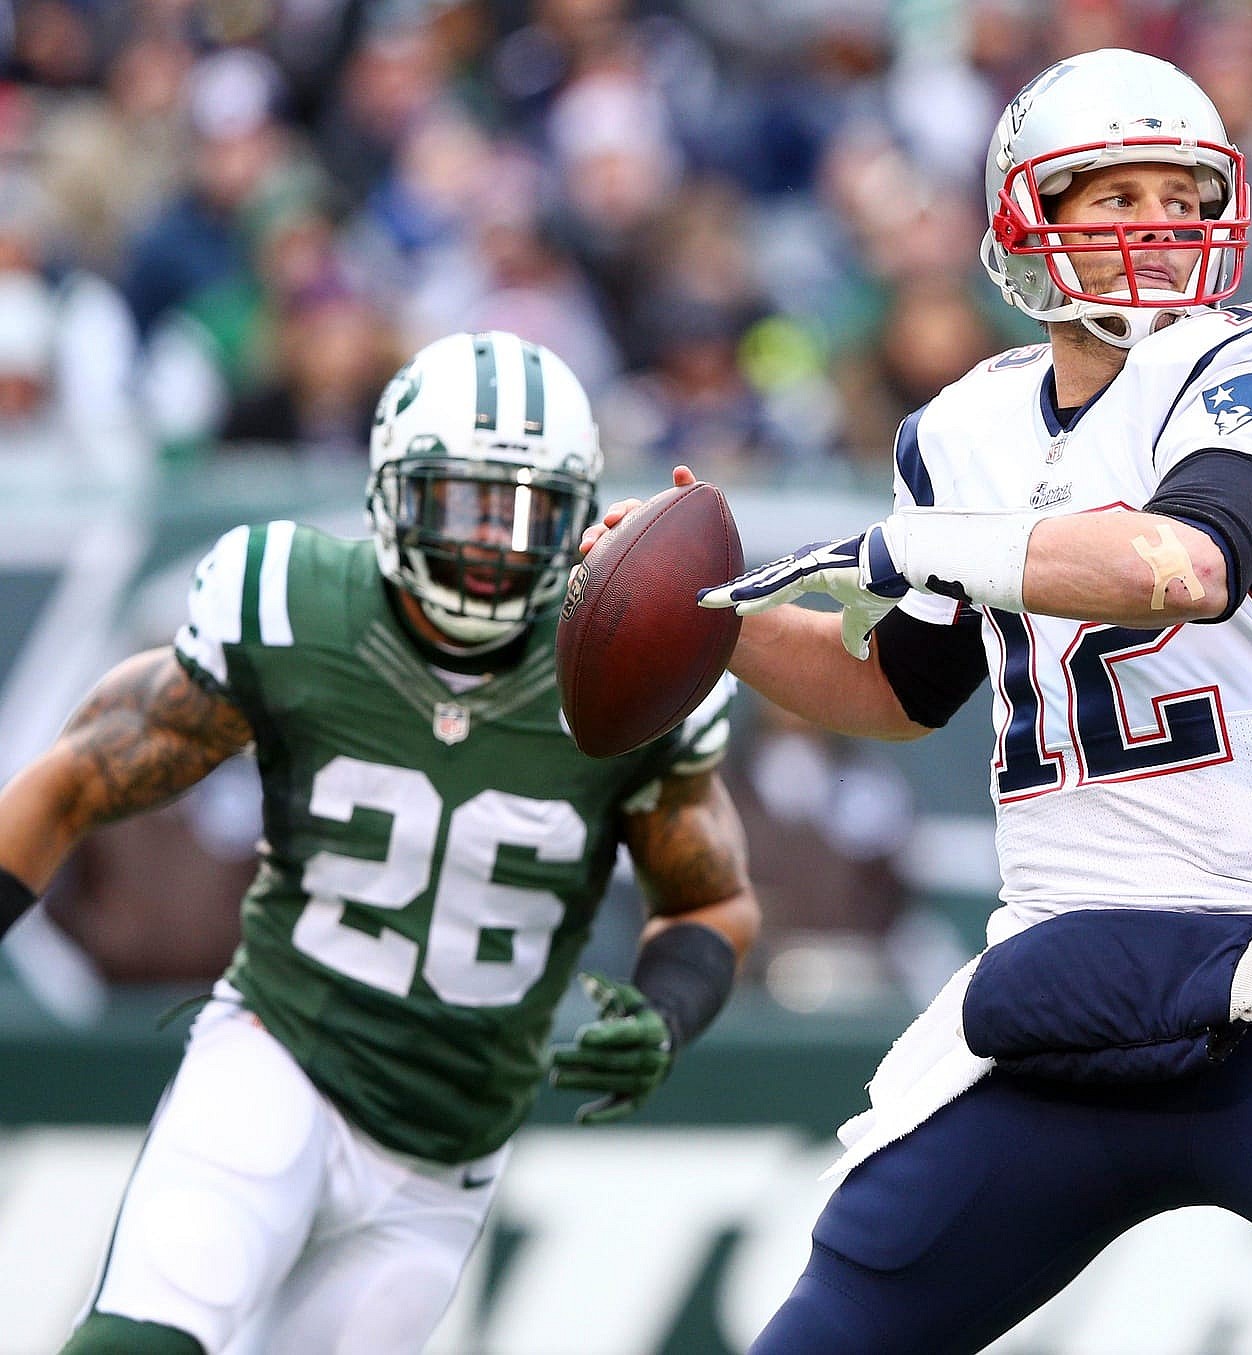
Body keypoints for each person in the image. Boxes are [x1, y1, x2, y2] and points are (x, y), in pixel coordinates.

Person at [588, 48, 1252, 1355]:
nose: (1155, 222)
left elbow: (1185, 565)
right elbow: (896, 683)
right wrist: (717, 619)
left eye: (1178, 190)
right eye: (1113, 194)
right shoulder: (962, 429)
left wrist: (937, 548)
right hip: (1065, 990)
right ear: (1028, 218)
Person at [0, 331, 757, 1355]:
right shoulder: (292, 603)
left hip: (448, 1148)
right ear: (389, 491)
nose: (492, 543)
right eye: (462, 503)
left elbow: (709, 897)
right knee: (143, 1341)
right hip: (281, 1056)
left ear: (580, 516)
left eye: (525, 509)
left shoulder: (624, 678)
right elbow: (69, 784)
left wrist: (669, 1011)